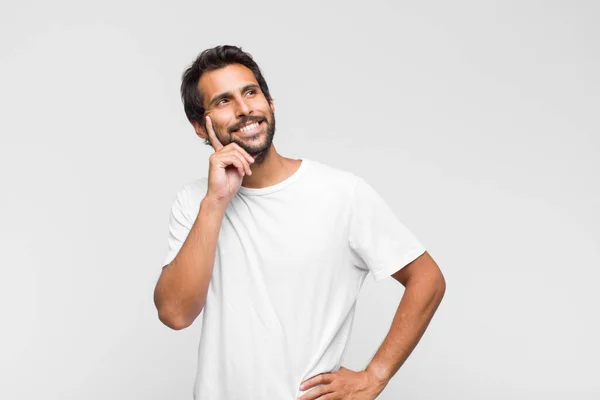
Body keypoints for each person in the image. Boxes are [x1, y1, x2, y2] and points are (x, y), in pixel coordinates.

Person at [153, 45, 446, 400]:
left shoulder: (341, 193)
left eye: (251, 92)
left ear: (270, 103)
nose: (245, 108)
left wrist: (375, 376)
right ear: (202, 125)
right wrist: (216, 202)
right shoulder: (195, 202)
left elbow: (427, 278)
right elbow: (175, 313)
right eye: (223, 101)